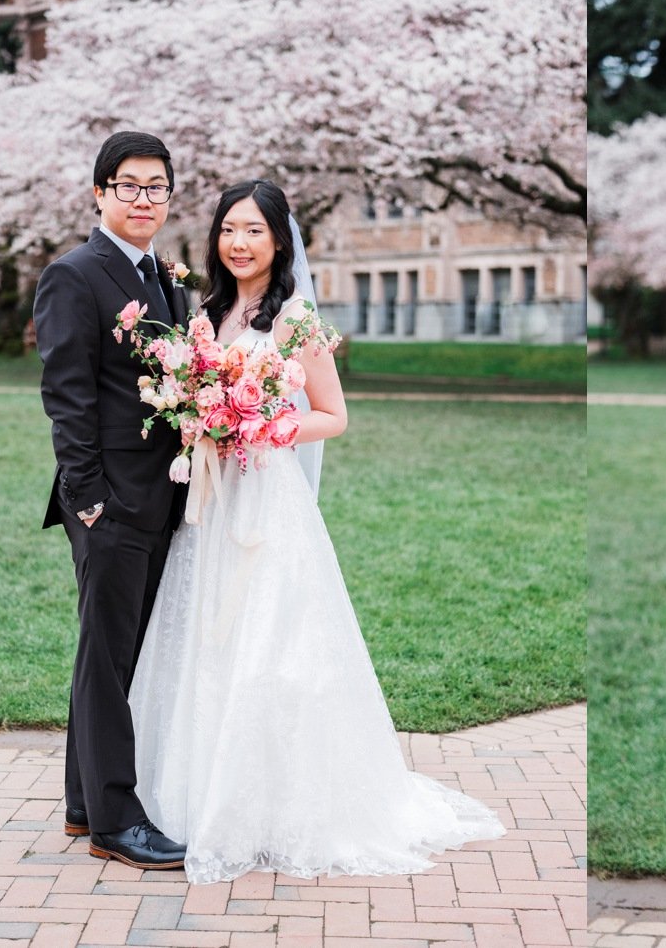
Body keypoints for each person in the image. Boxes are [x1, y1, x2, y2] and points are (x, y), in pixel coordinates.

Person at [127, 179, 504, 884]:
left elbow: (333, 414)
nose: (239, 244)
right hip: (213, 500)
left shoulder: (296, 319)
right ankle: (196, 787)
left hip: (268, 495)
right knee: (207, 637)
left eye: (254, 232)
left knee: (274, 642)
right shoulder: (205, 314)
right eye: (229, 231)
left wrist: (264, 425)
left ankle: (281, 804)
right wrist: (195, 417)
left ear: (278, 242)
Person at [35, 130, 191, 870]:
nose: (143, 199)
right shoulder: (75, 274)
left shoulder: (162, 277)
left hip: (157, 496)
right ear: (100, 192)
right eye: (128, 185)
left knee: (114, 651)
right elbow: (65, 396)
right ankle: (116, 822)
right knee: (107, 657)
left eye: (156, 186)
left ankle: (80, 802)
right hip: (109, 503)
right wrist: (86, 497)